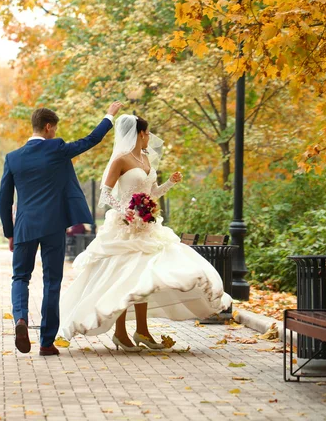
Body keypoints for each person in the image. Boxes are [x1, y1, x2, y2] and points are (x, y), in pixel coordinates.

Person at [59, 114, 232, 351]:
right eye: (148, 132)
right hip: (125, 229)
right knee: (124, 278)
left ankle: (142, 330)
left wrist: (170, 183)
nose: (150, 137)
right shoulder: (120, 159)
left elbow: (152, 193)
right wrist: (126, 211)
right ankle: (120, 332)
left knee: (143, 279)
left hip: (148, 228)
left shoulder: (147, 159)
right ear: (139, 134)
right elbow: (106, 194)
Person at [0, 101, 122, 356]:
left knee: (20, 277)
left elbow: (4, 199)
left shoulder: (13, 158)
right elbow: (90, 140)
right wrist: (109, 116)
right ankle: (46, 342)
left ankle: (20, 319)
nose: (55, 133)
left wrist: (9, 231)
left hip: (24, 227)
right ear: (47, 127)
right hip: (53, 225)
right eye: (54, 129)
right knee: (51, 282)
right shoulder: (56, 149)